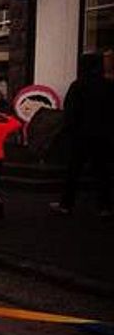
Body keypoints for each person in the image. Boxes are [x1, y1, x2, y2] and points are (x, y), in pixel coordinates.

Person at [50, 53, 114, 216]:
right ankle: (104, 207)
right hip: (103, 135)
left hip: (81, 136)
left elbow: (71, 112)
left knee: (73, 171)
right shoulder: (108, 85)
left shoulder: (78, 85)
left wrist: (69, 131)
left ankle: (66, 204)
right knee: (102, 172)